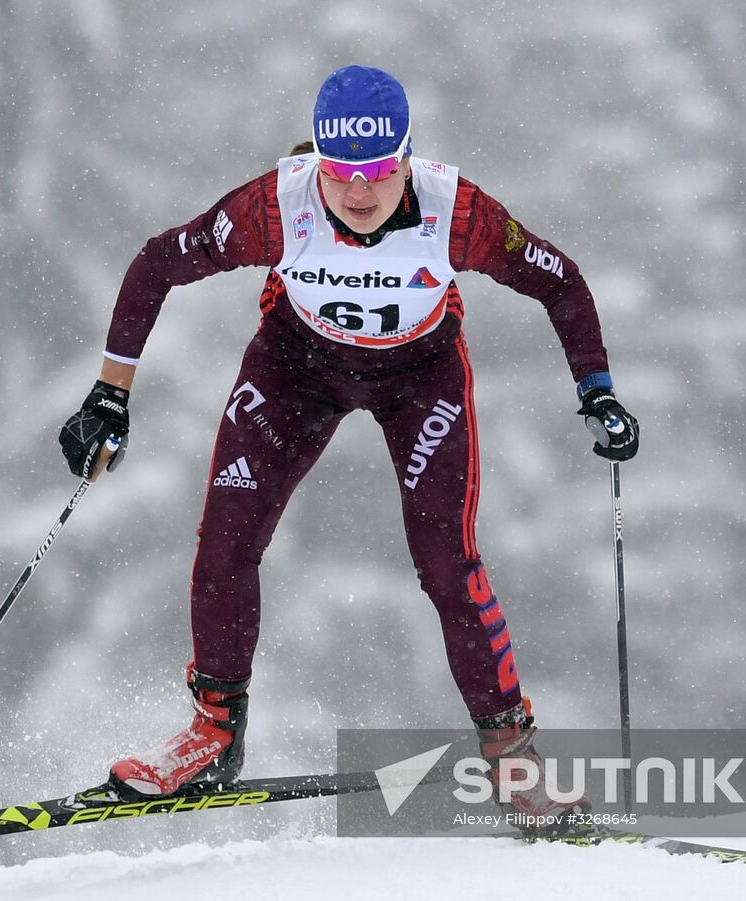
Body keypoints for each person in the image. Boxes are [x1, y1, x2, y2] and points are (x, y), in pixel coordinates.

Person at [58, 65, 638, 822]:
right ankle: (215, 731)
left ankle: (511, 757)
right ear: (318, 163)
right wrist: (109, 393)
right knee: (225, 541)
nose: (358, 192)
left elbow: (558, 280)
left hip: (420, 377)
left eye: (376, 172)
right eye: (339, 174)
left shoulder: (457, 213)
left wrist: (597, 389)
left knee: (446, 563)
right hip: (296, 366)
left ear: (406, 158)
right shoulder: (276, 206)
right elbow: (157, 263)